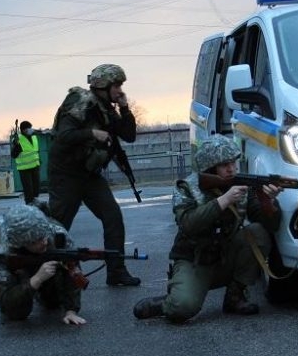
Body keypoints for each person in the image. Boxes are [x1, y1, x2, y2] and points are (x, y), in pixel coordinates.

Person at [133, 134, 283, 323]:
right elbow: (188, 224)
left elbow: (271, 225)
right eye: (224, 164)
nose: (231, 168)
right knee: (182, 307)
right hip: (195, 260)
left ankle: (235, 296)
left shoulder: (242, 185)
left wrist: (267, 201)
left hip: (225, 256)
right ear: (210, 167)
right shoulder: (188, 188)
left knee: (257, 233)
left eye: (233, 162)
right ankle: (166, 302)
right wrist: (223, 200)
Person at [47, 63, 141, 287]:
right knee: (58, 226)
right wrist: (92, 133)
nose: (120, 90)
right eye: (117, 86)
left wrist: (125, 108)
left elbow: (129, 135)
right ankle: (45, 273)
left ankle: (116, 271)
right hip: (66, 174)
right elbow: (63, 136)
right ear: (103, 85)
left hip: (89, 176)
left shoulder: (106, 109)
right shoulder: (80, 102)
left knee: (113, 217)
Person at [0, 203, 86, 325]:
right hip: (21, 274)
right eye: (35, 241)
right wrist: (36, 279)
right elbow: (7, 301)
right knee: (17, 313)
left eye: (43, 236)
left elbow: (72, 270)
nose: (44, 242)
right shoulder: (2, 253)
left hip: (46, 270)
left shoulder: (58, 234)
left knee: (53, 303)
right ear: (21, 243)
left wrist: (71, 311)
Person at [11, 120, 41, 205]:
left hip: (35, 166)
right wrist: (16, 146)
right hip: (24, 169)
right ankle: (29, 203)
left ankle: (35, 201)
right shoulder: (18, 140)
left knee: (36, 187)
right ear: (24, 130)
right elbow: (13, 155)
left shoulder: (34, 137)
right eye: (29, 128)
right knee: (28, 188)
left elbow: (35, 151)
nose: (31, 129)